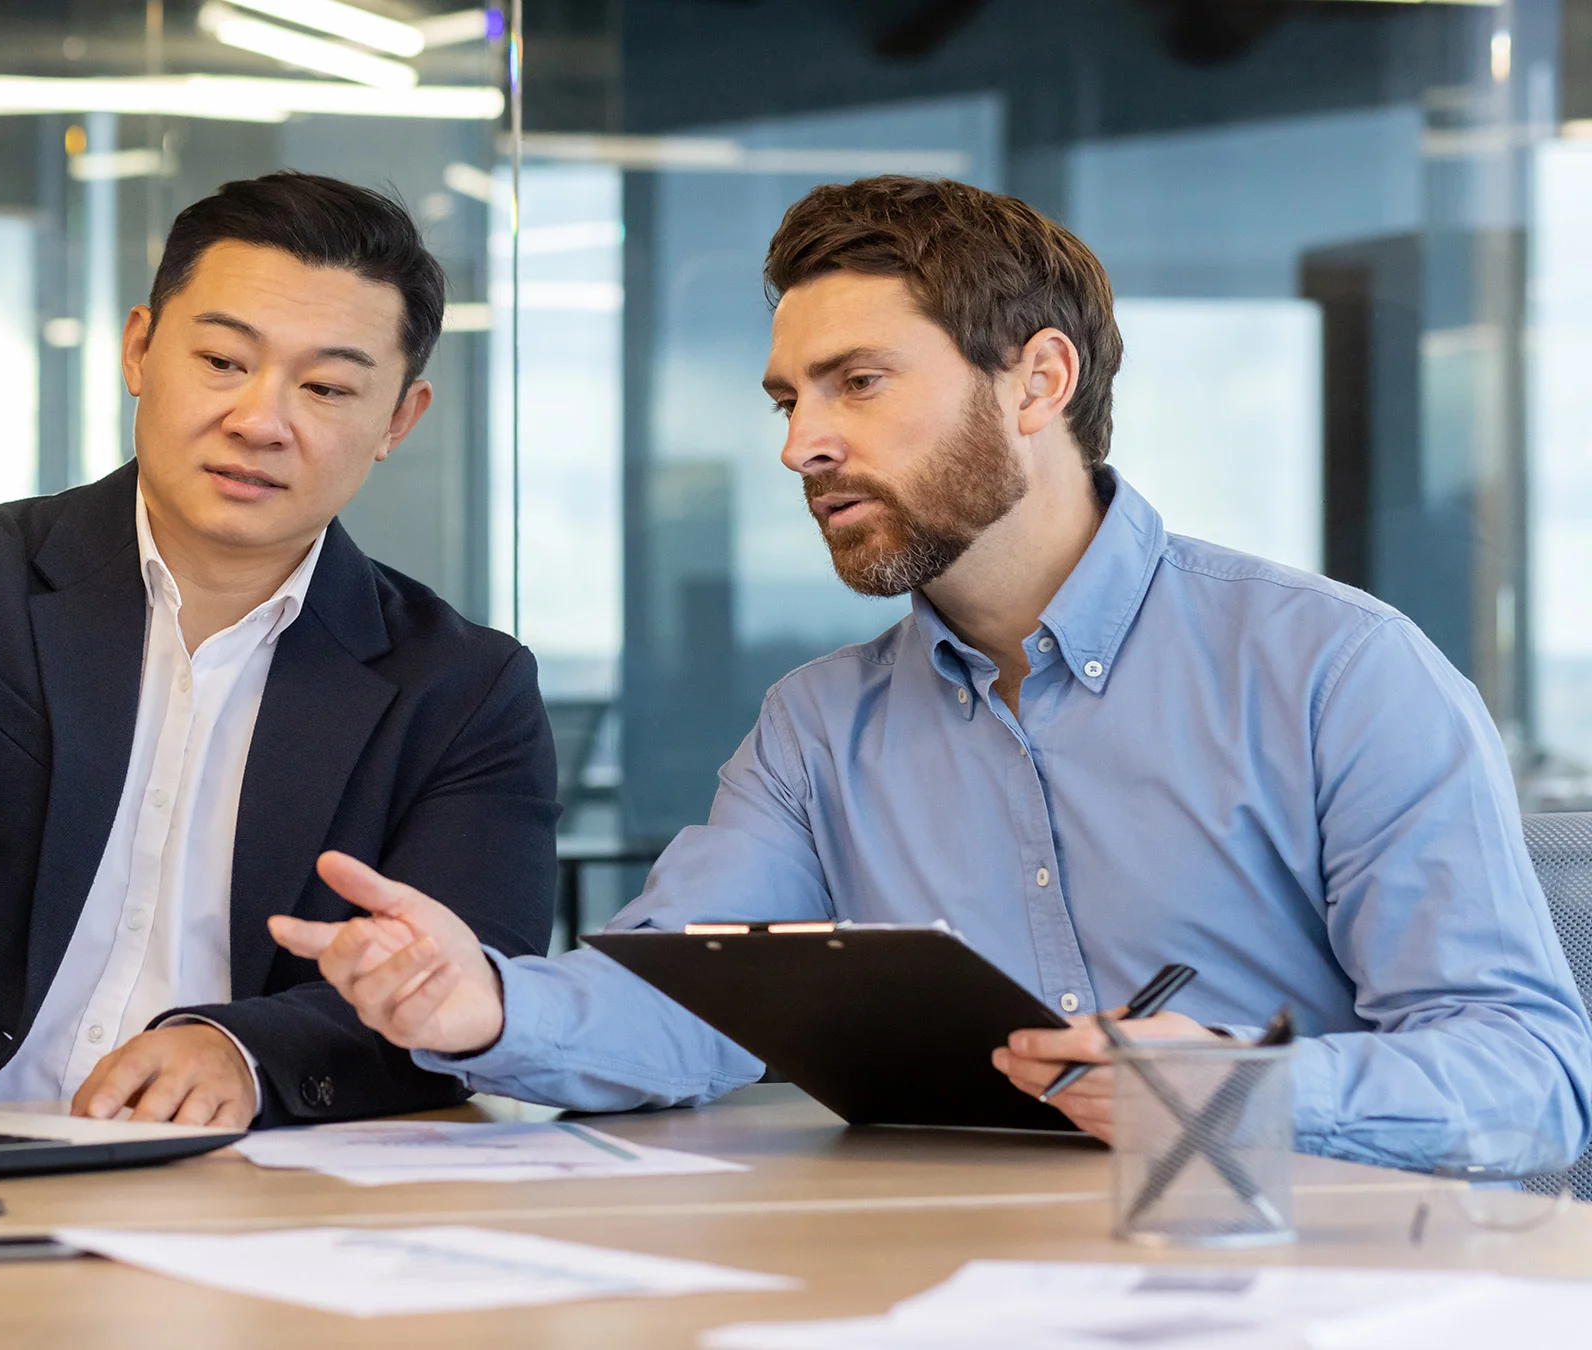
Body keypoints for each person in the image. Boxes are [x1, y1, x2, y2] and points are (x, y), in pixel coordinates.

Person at [273, 175, 1592, 1175]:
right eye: (789, 399)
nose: (804, 445)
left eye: (858, 383)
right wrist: (483, 999)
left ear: (1039, 382)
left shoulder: (1334, 670)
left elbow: (1534, 1078)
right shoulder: (817, 728)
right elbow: (689, 1009)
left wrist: (1244, 1093)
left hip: (1298, 1280)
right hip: (946, 1278)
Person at [0, 172, 557, 1131]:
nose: (259, 420)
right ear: (141, 349)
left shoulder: (464, 688)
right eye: (224, 362)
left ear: (398, 419)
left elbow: (472, 978)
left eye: (324, 387)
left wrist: (246, 1052)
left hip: (244, 1179)